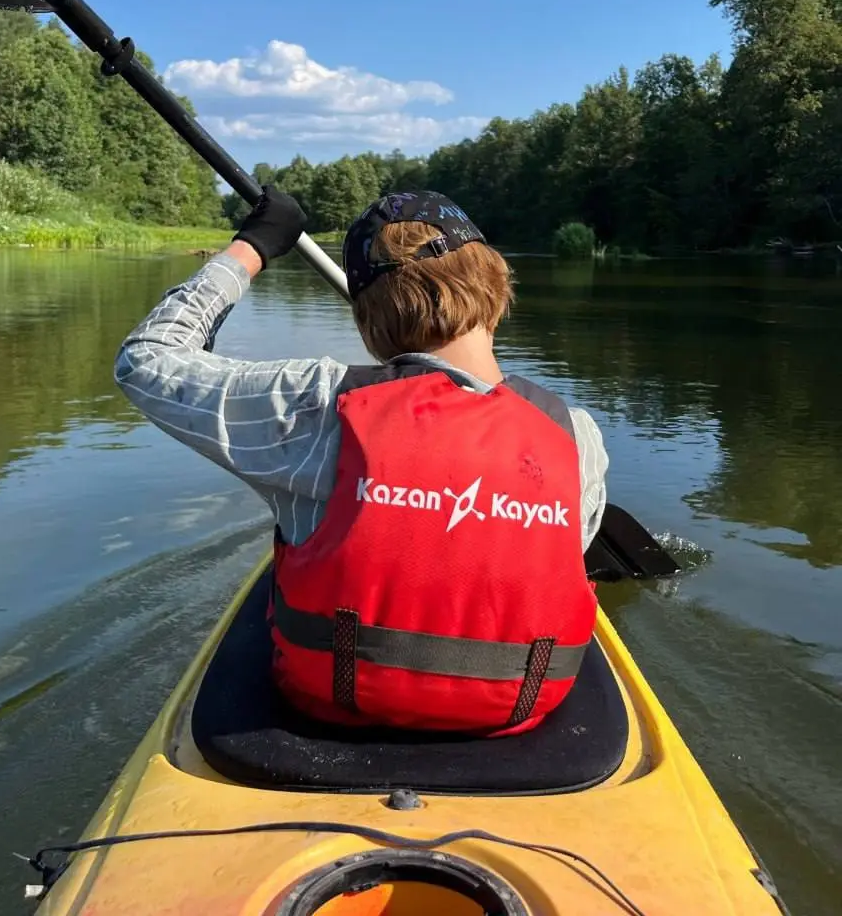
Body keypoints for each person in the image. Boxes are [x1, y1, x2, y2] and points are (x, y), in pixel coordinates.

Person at [115, 186, 608, 735]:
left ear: (368, 322)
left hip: (328, 710)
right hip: (521, 713)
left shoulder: (318, 403)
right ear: (497, 282)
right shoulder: (574, 434)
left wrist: (251, 247)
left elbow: (147, 360)